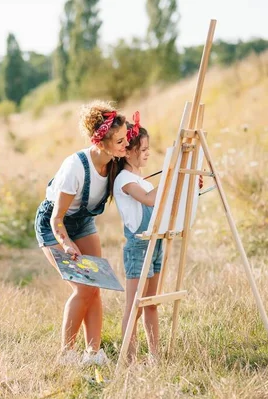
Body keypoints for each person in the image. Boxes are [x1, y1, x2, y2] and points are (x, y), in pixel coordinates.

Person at [34, 100, 129, 365]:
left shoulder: (115, 161)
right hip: (55, 225)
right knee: (84, 288)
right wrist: (66, 245)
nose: (125, 145)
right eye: (120, 141)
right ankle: (66, 354)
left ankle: (93, 353)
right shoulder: (75, 167)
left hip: (83, 223)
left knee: (95, 286)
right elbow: (57, 218)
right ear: (102, 143)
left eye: (126, 138)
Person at [114, 112, 202, 363]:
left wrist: (186, 186)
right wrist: (173, 178)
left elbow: (165, 204)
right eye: (143, 149)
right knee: (134, 307)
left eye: (148, 149)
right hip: (139, 247)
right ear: (128, 152)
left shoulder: (139, 179)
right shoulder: (124, 180)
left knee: (151, 303)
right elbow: (152, 200)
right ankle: (129, 361)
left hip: (156, 243)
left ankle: (155, 357)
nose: (147, 153)